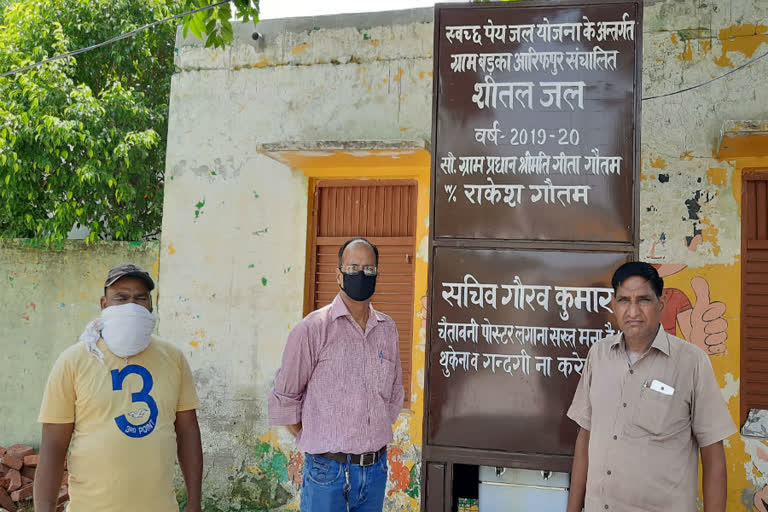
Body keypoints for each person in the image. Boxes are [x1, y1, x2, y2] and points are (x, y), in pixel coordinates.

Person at [566, 261, 736, 512]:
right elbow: (585, 437)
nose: (633, 311)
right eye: (624, 300)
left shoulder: (691, 362)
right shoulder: (598, 356)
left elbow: (713, 456)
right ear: (613, 305)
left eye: (643, 300)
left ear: (661, 304)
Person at [34, 263, 203, 512]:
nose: (131, 306)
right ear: (104, 305)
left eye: (140, 298)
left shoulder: (173, 358)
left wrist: (195, 503)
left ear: (150, 306)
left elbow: (188, 431)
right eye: (121, 298)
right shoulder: (74, 360)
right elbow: (53, 447)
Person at [268, 237, 404, 512]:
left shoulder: (387, 330)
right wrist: (322, 441)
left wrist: (368, 434)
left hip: (374, 471)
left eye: (369, 269)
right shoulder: (313, 329)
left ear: (377, 274)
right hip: (327, 471)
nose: (361, 275)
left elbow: (393, 395)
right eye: (353, 268)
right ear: (338, 275)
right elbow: (285, 398)